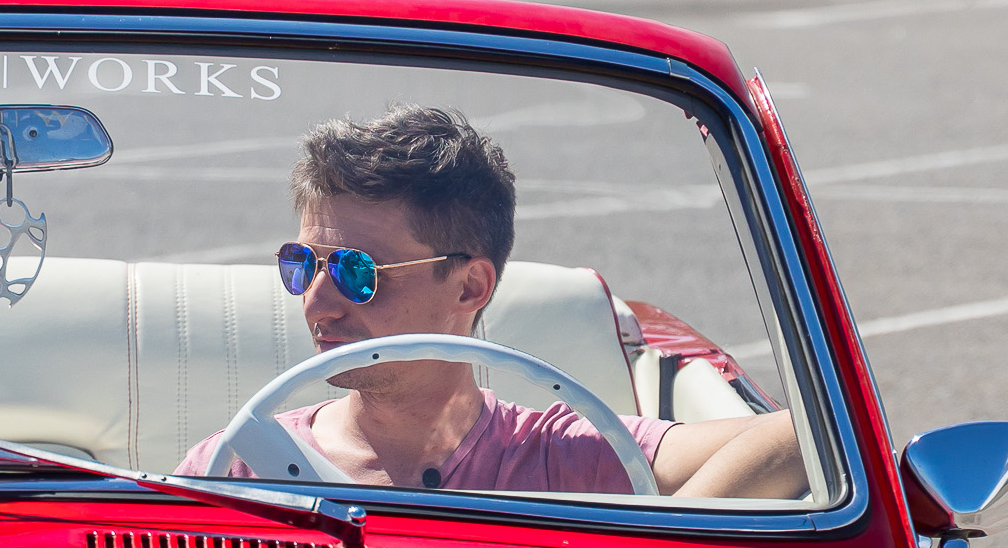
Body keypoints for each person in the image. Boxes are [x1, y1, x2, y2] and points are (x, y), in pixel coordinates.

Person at [176, 107, 806, 501]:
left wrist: (665, 547)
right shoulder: (235, 466)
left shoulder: (564, 456)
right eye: (303, 265)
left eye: (356, 270)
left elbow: (804, 437)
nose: (319, 302)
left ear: (470, 287)